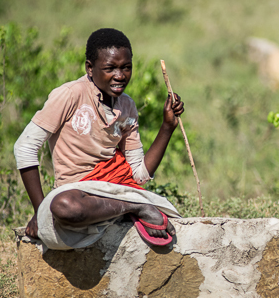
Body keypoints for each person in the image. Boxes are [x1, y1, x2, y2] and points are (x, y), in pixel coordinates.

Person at [13, 28, 185, 250]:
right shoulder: (70, 95)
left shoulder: (127, 106)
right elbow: (24, 147)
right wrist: (39, 210)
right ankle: (134, 207)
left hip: (114, 188)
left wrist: (167, 127)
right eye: (110, 68)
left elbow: (139, 175)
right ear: (89, 68)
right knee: (64, 206)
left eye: (126, 67)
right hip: (78, 193)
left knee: (70, 206)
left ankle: (132, 206)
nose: (120, 76)